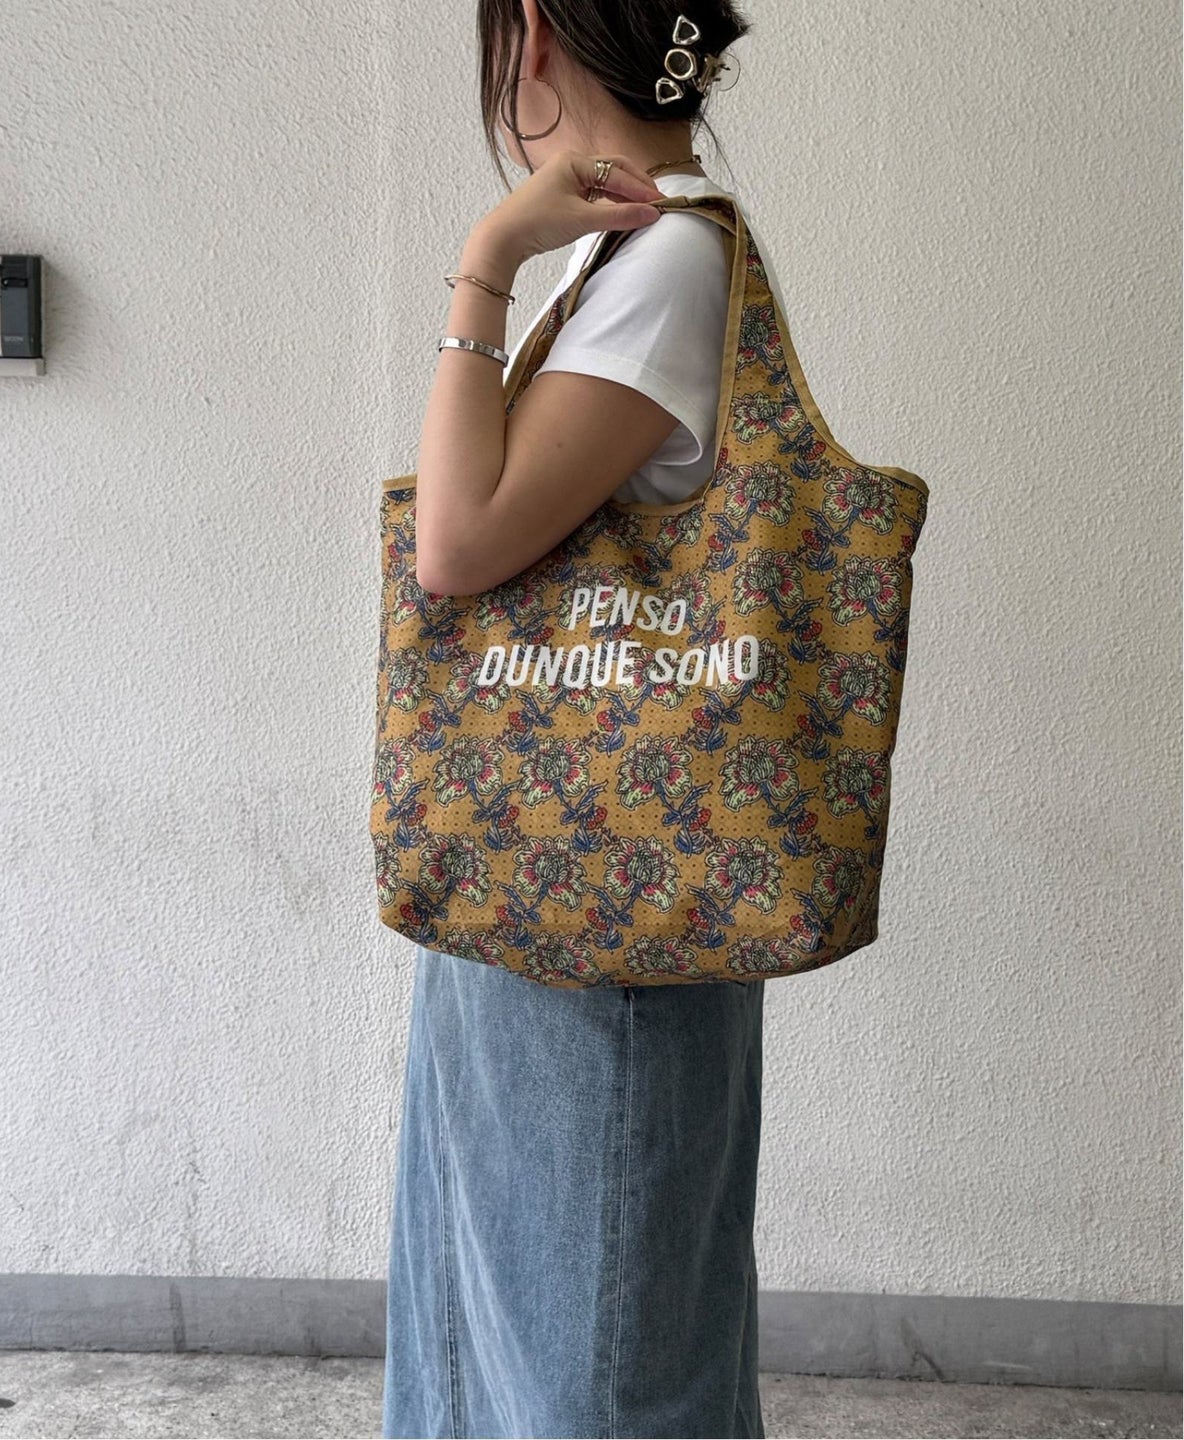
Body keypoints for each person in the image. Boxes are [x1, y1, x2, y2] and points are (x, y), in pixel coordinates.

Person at [382, 2, 771, 1436]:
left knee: (591, 1355)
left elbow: (455, 541)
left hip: (597, 919)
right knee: (521, 1330)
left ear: (534, 32)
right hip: (546, 890)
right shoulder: (629, 258)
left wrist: (487, 261)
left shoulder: (669, 262)